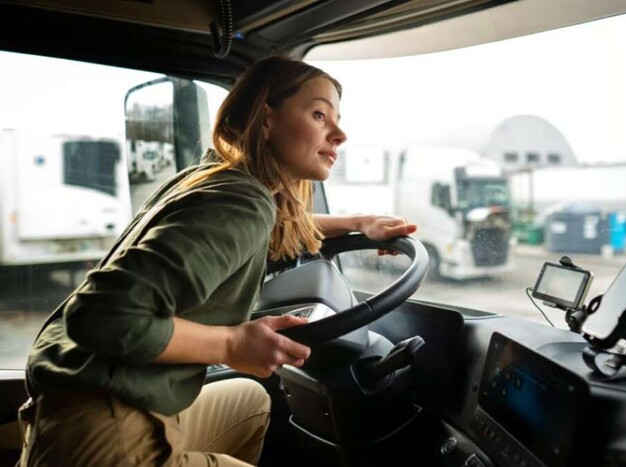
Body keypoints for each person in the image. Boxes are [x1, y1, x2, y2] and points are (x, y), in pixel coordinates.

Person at [17, 56, 417, 466]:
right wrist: (232, 343)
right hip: (107, 434)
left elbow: (267, 226)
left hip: (75, 404)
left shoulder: (215, 180)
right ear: (266, 119)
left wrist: (358, 222)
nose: (340, 134)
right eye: (319, 114)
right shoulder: (243, 201)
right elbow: (100, 316)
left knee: (247, 400)